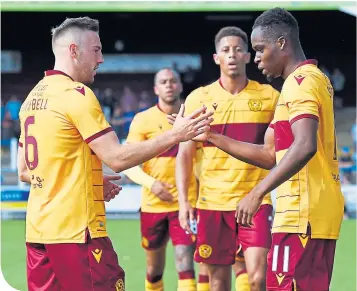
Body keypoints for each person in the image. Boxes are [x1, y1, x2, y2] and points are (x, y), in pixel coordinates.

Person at [17, 17, 213, 291]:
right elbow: (117, 158)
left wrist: (91, 181)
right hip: (77, 232)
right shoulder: (77, 95)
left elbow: (26, 172)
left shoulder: (32, 99)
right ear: (74, 51)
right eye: (96, 50)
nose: (101, 59)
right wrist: (176, 134)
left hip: (38, 232)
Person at [187, 8, 344, 291]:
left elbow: (305, 145)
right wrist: (209, 135)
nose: (256, 58)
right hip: (317, 213)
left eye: (260, 49)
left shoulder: (299, 84)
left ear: (282, 43)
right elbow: (269, 154)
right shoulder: (312, 80)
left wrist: (257, 192)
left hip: (300, 215)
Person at [174, 26, 280, 291]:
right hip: (212, 202)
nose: (232, 55)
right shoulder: (199, 98)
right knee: (218, 283)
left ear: (247, 56)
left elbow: (278, 152)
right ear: (216, 58)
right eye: (225, 50)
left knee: (257, 278)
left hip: (255, 199)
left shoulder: (270, 97)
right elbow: (185, 155)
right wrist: (185, 201)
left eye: (238, 50)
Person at [124, 68, 199, 291]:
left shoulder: (193, 117)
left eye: (173, 81)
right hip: (152, 205)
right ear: (156, 89)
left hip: (186, 204)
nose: (169, 85)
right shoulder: (143, 120)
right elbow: (129, 162)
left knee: (186, 263)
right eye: (164, 82)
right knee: (154, 270)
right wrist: (152, 184)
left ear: (180, 86)